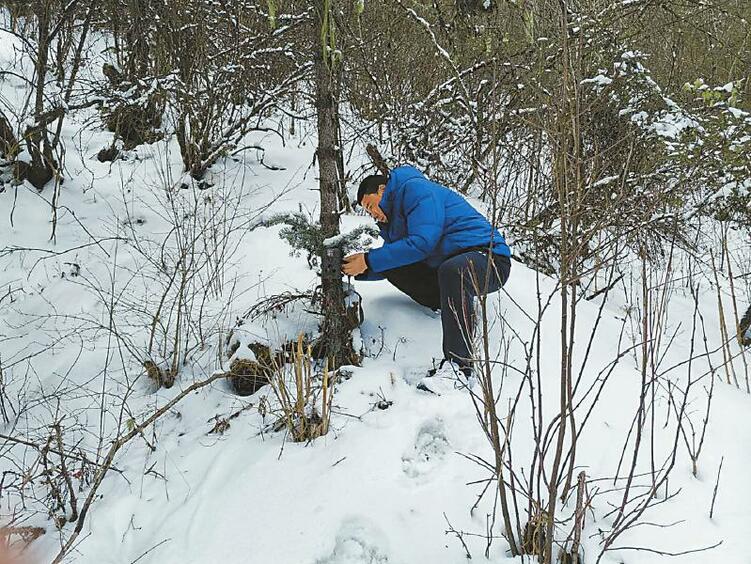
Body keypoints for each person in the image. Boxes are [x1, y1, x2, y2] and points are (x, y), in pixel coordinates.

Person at [342, 165, 511, 382]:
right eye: (367, 211)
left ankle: (459, 368)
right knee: (396, 260)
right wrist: (359, 269)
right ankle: (452, 307)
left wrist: (368, 260)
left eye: (371, 205)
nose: (373, 214)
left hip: (488, 258)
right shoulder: (395, 223)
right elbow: (395, 263)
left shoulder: (416, 190)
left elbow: (422, 243)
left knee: (453, 270)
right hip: (450, 269)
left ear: (383, 190)